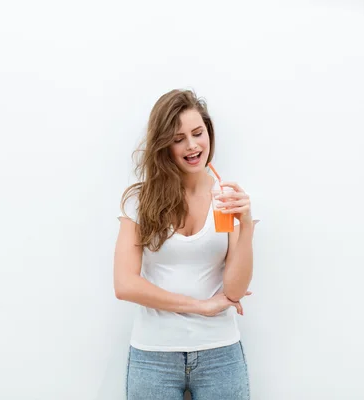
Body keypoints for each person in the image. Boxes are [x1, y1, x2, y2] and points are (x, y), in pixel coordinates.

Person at [114, 89, 260, 399]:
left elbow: (233, 291)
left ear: (209, 133)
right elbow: (125, 284)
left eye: (198, 133)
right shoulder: (141, 200)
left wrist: (245, 224)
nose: (192, 146)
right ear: (164, 144)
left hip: (220, 354)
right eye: (179, 138)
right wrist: (201, 306)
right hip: (153, 356)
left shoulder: (225, 198)